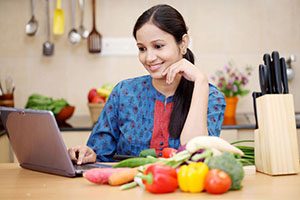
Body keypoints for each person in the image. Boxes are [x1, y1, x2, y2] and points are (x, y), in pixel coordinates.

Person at [68, 4, 225, 164]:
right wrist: (87, 154)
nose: (149, 58)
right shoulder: (124, 93)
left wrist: (200, 81)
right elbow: (98, 153)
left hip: (184, 187)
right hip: (124, 188)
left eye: (158, 46)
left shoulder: (211, 97)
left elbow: (196, 157)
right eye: (142, 48)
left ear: (183, 43)